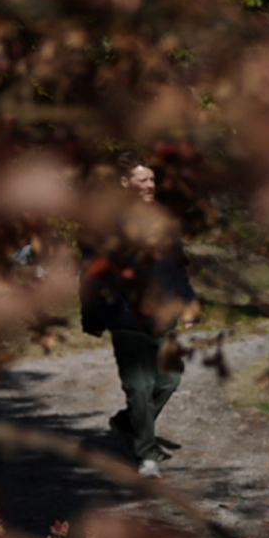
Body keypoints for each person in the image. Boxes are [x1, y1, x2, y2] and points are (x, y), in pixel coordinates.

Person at [81, 153, 199, 478]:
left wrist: (187, 302)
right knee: (139, 387)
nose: (150, 185)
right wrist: (91, 316)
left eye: (151, 179)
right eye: (142, 180)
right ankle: (146, 455)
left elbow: (177, 266)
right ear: (124, 183)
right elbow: (91, 272)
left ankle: (125, 423)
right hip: (125, 315)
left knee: (170, 379)